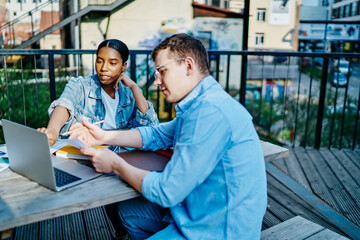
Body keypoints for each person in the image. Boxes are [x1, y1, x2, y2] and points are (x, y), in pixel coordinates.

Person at [69, 33, 267, 239]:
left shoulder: (207, 113)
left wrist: (116, 165)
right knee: (129, 211)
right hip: (203, 211)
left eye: (163, 71)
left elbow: (167, 192)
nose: (157, 81)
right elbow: (157, 134)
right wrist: (103, 137)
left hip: (219, 230)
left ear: (188, 66)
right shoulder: (204, 101)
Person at [38, 39, 159, 146]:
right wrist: (52, 132)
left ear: (123, 66)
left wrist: (134, 87)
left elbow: (151, 127)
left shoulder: (130, 92)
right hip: (85, 152)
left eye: (112, 63)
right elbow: (64, 105)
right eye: (100, 61)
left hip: (121, 154)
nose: (104, 68)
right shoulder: (80, 85)